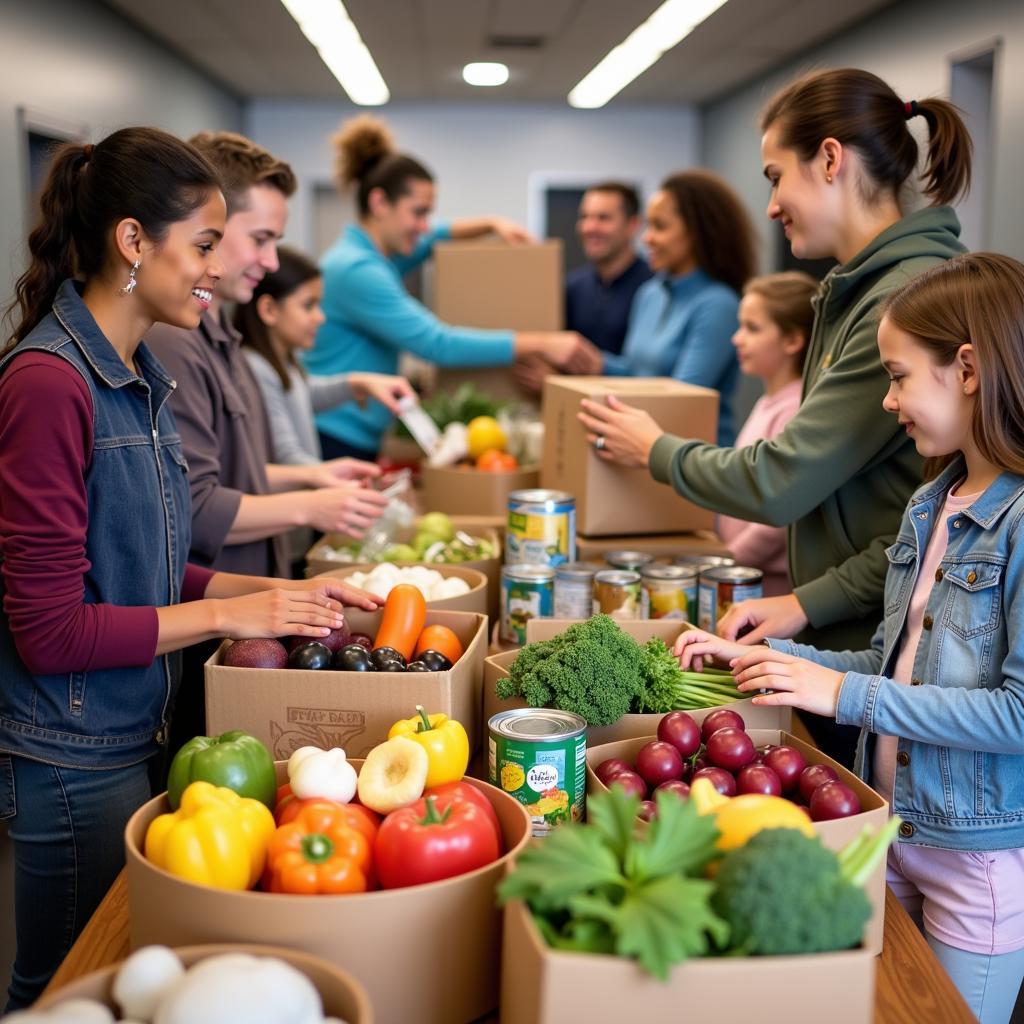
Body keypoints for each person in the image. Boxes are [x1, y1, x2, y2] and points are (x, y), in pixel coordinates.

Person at [0, 128, 381, 1010]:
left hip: (130, 730)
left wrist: (278, 596)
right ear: (133, 241)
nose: (216, 268)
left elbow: (149, 566)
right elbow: (51, 632)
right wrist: (228, 618)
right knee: (65, 990)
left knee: (120, 975)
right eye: (203, 244)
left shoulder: (134, 374)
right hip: (70, 753)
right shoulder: (49, 385)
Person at [577, 68, 970, 765]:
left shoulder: (902, 295)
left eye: (773, 175)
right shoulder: (857, 289)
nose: (770, 206)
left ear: (828, 160)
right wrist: (808, 603)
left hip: (879, 658)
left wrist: (656, 449)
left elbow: (786, 478)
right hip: (852, 632)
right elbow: (895, 518)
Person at [676, 253, 1024, 1024]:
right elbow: (892, 662)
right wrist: (776, 660)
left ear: (967, 368)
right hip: (886, 827)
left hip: (977, 860)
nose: (890, 401)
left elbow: (1016, 716)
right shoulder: (931, 502)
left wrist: (841, 692)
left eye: (898, 377)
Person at [146, 131, 390, 751]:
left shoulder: (220, 336)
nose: (272, 260)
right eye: (262, 238)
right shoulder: (175, 341)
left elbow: (242, 471)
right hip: (209, 628)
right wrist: (312, 503)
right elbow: (196, 510)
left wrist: (315, 479)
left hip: (246, 619)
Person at [307, 115, 601, 461]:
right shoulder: (358, 269)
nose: (423, 226)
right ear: (379, 203)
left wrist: (491, 222)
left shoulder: (374, 257)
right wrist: (543, 342)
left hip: (350, 429)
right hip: (335, 436)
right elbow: (438, 343)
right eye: (417, 213)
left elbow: (435, 236)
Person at [598, 170, 757, 445]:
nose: (646, 238)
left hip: (695, 463)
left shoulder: (718, 305)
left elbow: (681, 400)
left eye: (660, 226)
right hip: (647, 453)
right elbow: (637, 373)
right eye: (648, 225)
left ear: (697, 232)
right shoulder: (649, 294)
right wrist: (589, 359)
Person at [235, 245, 415, 466]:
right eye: (308, 306)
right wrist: (341, 480)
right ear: (269, 310)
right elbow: (287, 456)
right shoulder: (258, 368)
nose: (320, 317)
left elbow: (300, 395)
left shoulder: (284, 364)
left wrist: (358, 384)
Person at [719, 272, 817, 594]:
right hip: (742, 573)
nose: (737, 338)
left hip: (763, 584)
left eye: (752, 328)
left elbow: (781, 515)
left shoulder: (795, 411)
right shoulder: (767, 401)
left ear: (792, 340)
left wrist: (729, 559)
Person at [565, 182, 652, 356]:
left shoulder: (655, 287)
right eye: (584, 217)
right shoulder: (571, 287)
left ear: (633, 225)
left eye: (603, 218)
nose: (590, 227)